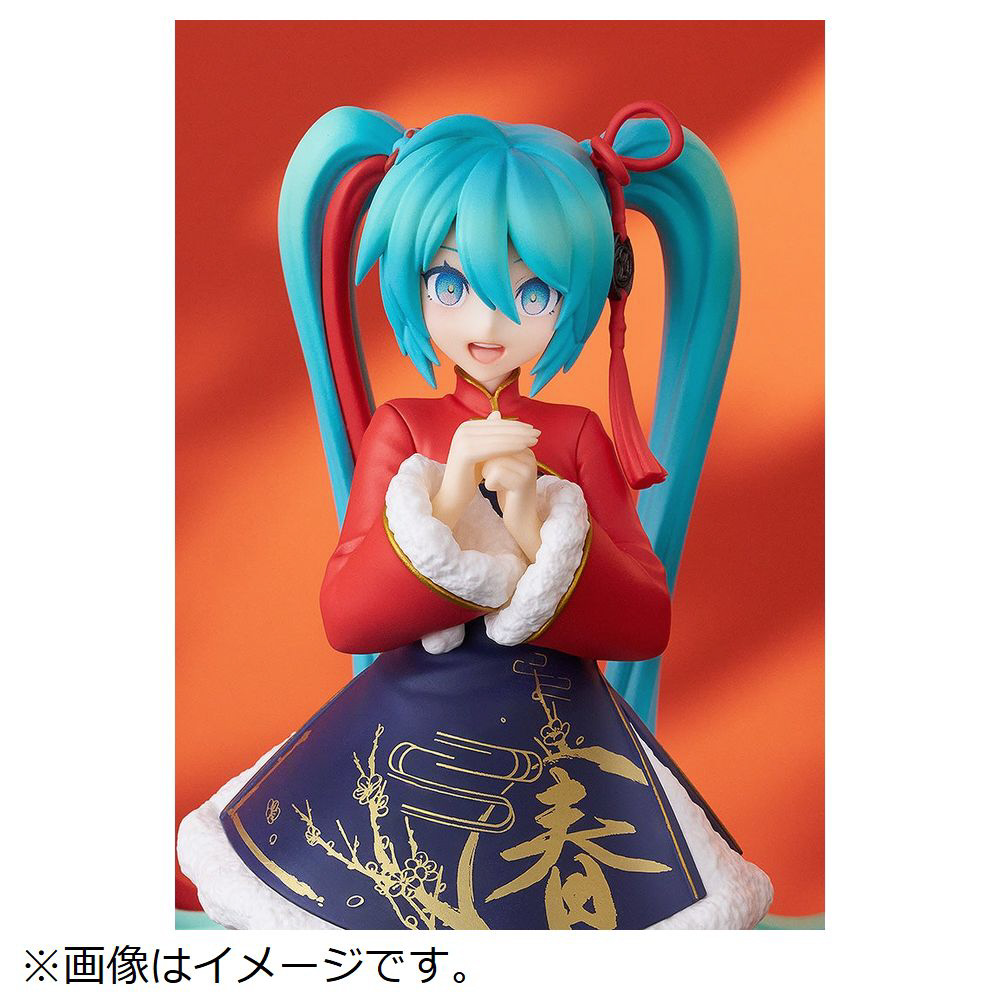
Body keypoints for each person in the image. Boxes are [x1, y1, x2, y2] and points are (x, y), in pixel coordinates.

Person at [177, 104, 773, 930]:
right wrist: (448, 494)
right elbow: (346, 612)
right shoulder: (404, 428)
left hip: (560, 745)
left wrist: (536, 517)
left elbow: (644, 619)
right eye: (451, 286)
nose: (488, 324)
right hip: (410, 731)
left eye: (532, 292)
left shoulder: (575, 435)